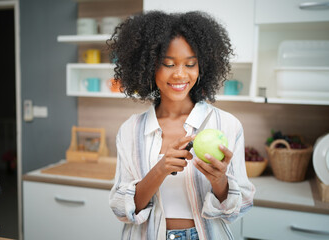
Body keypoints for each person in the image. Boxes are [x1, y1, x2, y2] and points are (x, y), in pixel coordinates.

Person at [108, 10, 255, 240]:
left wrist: (220, 181)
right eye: (168, 64)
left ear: (201, 67)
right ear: (149, 67)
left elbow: (242, 206)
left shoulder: (227, 124)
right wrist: (160, 169)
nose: (180, 74)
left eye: (190, 64)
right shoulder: (131, 130)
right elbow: (121, 209)